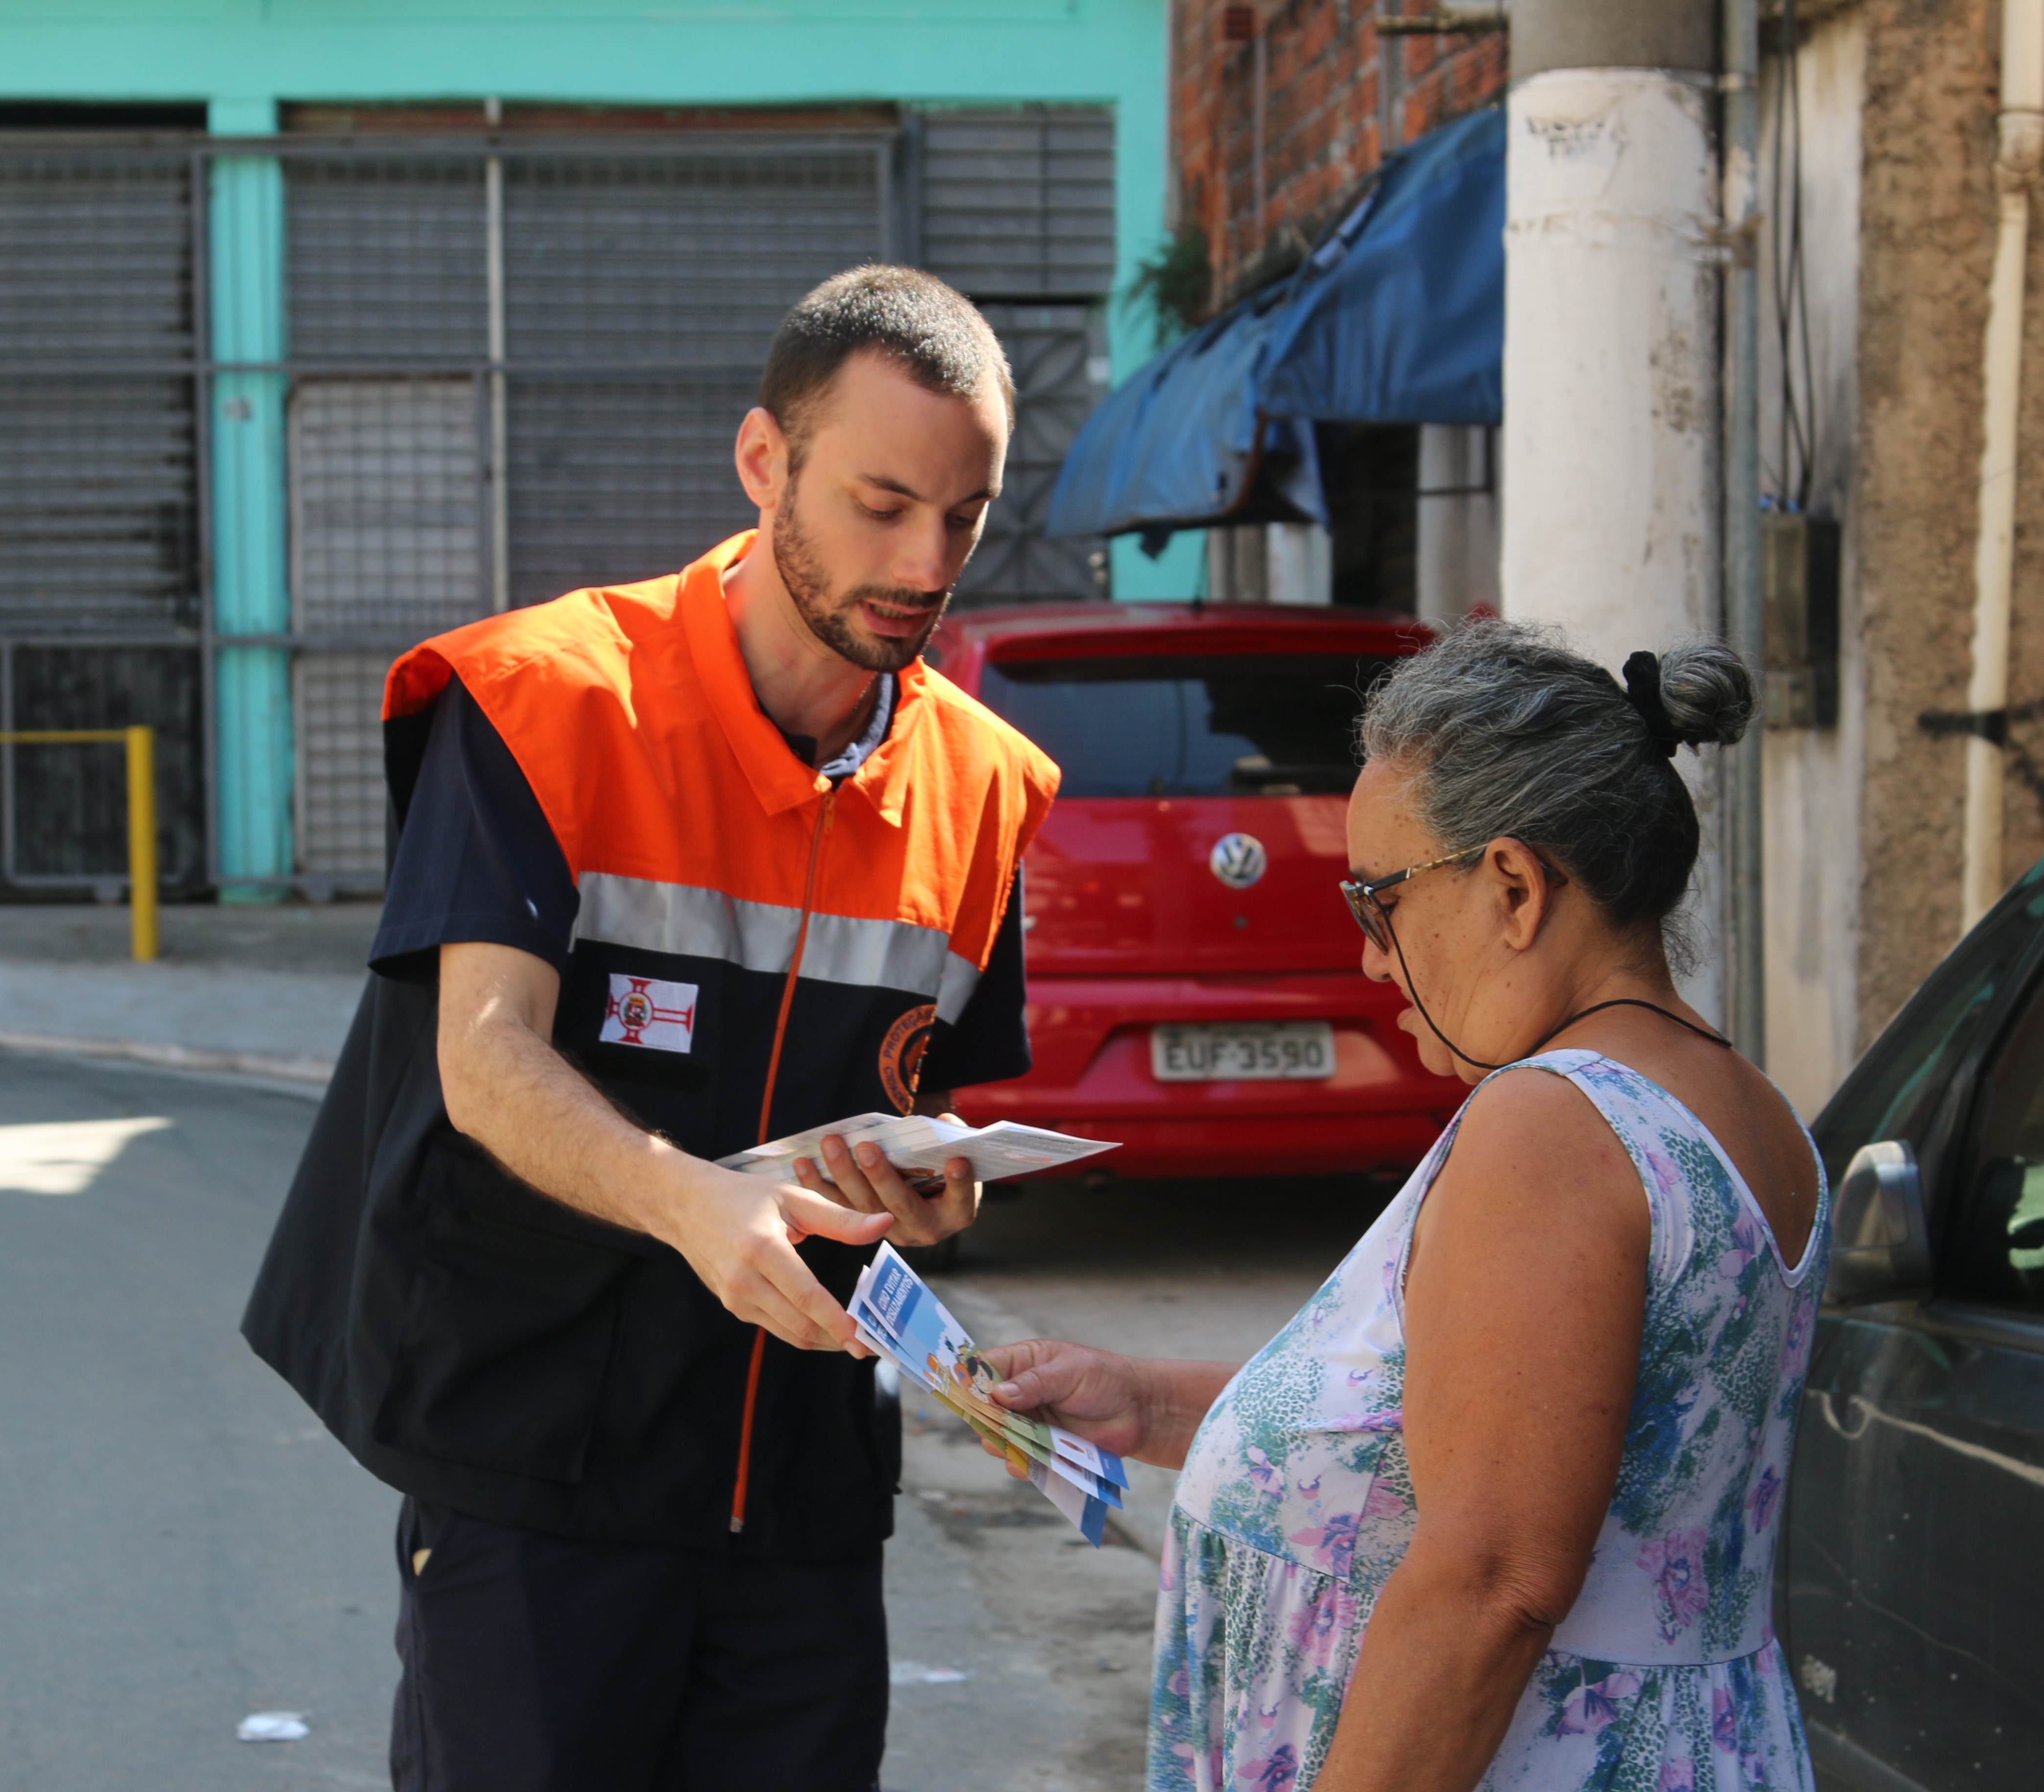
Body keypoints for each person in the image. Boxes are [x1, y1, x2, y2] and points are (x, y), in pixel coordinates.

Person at [241, 265, 1059, 1792]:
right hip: (544, 1468)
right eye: (882, 503)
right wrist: (699, 1201)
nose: (924, 560)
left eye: (965, 515)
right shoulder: (546, 702)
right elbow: (483, 1059)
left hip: (803, 1490)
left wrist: (937, 1190)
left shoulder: (987, 785)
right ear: (766, 464)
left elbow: (924, 1109)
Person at [981, 623, 1831, 1792]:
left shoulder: (1553, 1124)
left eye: (1377, 900)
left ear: (1516, 887)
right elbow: (1493, 1420)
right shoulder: (1745, 1105)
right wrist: (1160, 1405)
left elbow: (1492, 1582)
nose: (1373, 957)